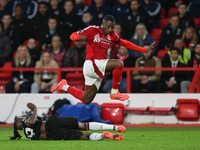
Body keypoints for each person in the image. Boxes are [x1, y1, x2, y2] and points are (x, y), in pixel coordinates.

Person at [51, 15, 154, 104]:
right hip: (91, 64)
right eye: (108, 26)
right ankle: (114, 92)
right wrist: (78, 38)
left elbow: (125, 43)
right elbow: (72, 35)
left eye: (112, 28)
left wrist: (143, 50)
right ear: (103, 23)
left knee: (86, 99)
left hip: (97, 67)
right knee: (119, 63)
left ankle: (64, 86)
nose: (110, 29)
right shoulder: (92, 29)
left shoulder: (112, 35)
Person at [10, 102, 125, 141]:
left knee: (84, 136)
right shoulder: (25, 122)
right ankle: (114, 128)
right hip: (52, 123)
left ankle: (102, 136)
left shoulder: (27, 136)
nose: (22, 118)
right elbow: (31, 122)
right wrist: (35, 108)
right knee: (83, 125)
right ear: (19, 123)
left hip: (53, 135)